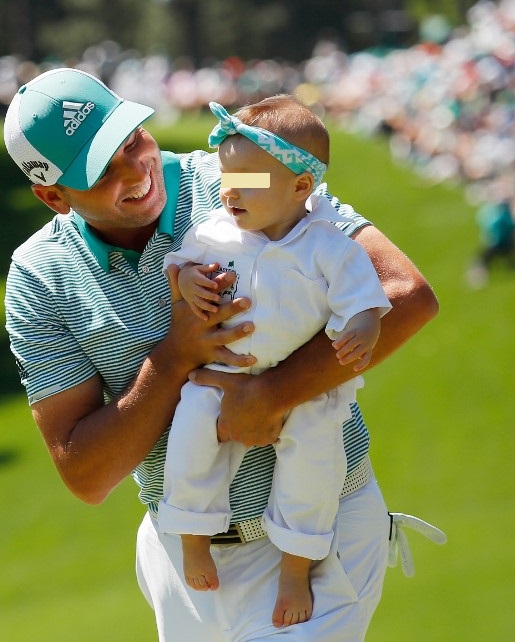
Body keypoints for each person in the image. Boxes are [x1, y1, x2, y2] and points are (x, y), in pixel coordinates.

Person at [3, 67, 440, 640]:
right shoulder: (39, 275)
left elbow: (405, 295)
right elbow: (86, 472)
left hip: (314, 543)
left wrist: (272, 395)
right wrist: (174, 357)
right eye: (102, 170)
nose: (136, 170)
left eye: (132, 140)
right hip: (181, 561)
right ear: (53, 196)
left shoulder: (242, 171)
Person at [158, 96, 392, 629]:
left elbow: (366, 299)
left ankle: (296, 566)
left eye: (250, 181)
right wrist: (186, 280)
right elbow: (181, 266)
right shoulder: (215, 230)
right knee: (190, 430)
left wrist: (362, 328)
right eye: (225, 176)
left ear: (301, 188)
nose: (230, 191)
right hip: (226, 371)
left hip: (303, 386)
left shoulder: (328, 246)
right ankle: (193, 537)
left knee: (314, 459)